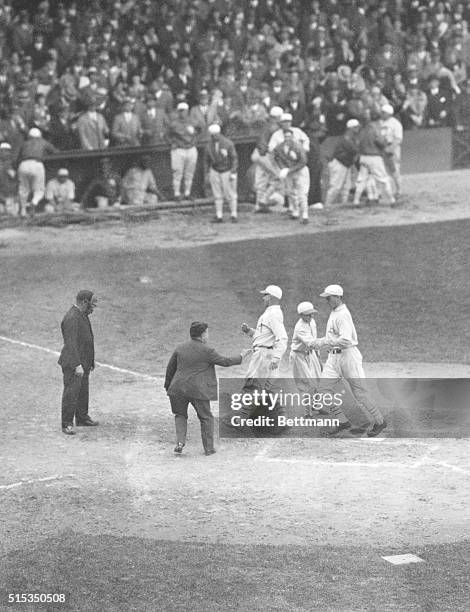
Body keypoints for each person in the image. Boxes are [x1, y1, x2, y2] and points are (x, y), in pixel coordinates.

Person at [312, 284, 387, 437]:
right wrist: (319, 342)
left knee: (360, 394)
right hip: (334, 359)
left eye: (329, 297)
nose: (326, 300)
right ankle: (342, 421)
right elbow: (332, 338)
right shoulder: (334, 312)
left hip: (348, 357)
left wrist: (324, 342)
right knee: (322, 391)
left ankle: (380, 422)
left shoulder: (343, 314)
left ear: (338, 297)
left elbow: (346, 340)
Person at [164, 321, 247, 455]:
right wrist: (242, 356)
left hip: (177, 389)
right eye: (207, 332)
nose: (208, 335)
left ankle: (180, 442)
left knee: (180, 415)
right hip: (198, 390)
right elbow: (225, 362)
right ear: (202, 335)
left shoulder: (180, 348)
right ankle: (208, 449)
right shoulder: (207, 350)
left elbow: (170, 369)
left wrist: (168, 387)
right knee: (206, 417)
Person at [58, 290, 99, 435]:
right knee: (71, 393)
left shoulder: (82, 315)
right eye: (92, 305)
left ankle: (82, 417)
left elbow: (88, 339)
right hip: (73, 363)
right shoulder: (72, 318)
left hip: (84, 362)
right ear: (84, 302)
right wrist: (77, 364)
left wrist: (90, 360)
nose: (93, 308)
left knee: (82, 391)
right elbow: (71, 344)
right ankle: (67, 423)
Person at [352, 116, 396, 207]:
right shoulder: (374, 130)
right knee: (383, 178)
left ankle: (356, 200)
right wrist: (386, 140)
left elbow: (357, 144)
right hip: (374, 157)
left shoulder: (360, 132)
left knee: (362, 179)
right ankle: (392, 199)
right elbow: (381, 143)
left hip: (363, 157)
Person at [290, 301, 323, 417]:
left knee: (319, 380)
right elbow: (311, 342)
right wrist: (329, 341)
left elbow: (314, 341)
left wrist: (318, 358)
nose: (311, 316)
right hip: (298, 356)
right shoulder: (300, 328)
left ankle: (317, 406)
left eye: (312, 314)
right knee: (306, 384)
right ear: (301, 315)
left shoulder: (312, 322)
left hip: (311, 353)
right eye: (308, 314)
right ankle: (307, 413)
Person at [324, 118, 361, 221]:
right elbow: (354, 150)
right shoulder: (346, 138)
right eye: (356, 127)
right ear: (350, 128)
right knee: (336, 186)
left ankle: (343, 205)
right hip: (339, 163)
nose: (358, 129)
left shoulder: (351, 137)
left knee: (346, 186)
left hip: (345, 164)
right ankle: (327, 205)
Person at [17, 127, 58, 217]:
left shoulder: (24, 144)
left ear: (29, 136)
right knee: (39, 189)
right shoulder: (43, 142)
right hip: (37, 164)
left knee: (23, 189)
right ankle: (34, 202)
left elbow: (18, 156)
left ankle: (23, 210)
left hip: (23, 165)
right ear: (39, 136)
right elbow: (55, 151)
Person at [273, 128, 310, 223]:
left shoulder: (298, 147)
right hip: (289, 172)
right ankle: (295, 211)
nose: (287, 138)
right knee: (290, 192)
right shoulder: (279, 147)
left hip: (300, 171)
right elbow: (277, 158)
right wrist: (283, 168)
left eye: (289, 136)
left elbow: (303, 161)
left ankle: (305, 214)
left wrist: (290, 170)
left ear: (293, 137)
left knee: (302, 193)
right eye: (286, 136)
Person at [204, 123, 238, 223]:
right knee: (217, 194)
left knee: (230, 194)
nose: (214, 136)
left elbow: (234, 158)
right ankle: (219, 215)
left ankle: (234, 214)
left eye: (216, 134)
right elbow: (206, 160)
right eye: (212, 135)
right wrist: (207, 173)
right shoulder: (208, 146)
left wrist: (233, 171)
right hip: (215, 169)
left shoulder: (228, 143)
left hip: (227, 170)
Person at [168, 101, 198, 202]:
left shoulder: (193, 121)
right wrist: (172, 143)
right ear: (178, 112)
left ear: (187, 111)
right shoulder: (174, 123)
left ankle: (187, 193)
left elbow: (199, 131)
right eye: (180, 111)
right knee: (177, 172)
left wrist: (194, 141)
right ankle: (176, 193)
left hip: (191, 148)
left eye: (184, 111)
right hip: (179, 149)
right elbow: (166, 135)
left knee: (189, 173)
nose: (182, 113)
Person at [380, 104, 403, 198]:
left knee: (394, 170)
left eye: (383, 112)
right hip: (382, 147)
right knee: (382, 171)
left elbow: (398, 139)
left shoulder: (395, 124)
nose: (381, 114)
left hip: (391, 147)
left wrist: (391, 148)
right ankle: (385, 191)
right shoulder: (380, 122)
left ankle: (399, 189)